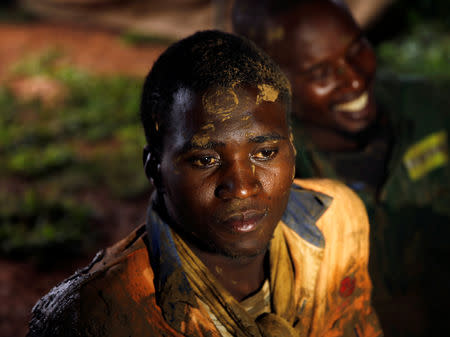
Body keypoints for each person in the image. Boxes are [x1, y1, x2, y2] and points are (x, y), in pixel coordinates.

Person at [28, 30, 382, 337]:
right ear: (155, 170)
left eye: (265, 152)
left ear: (291, 148)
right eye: (205, 160)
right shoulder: (96, 316)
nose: (242, 187)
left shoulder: (339, 223)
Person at [232, 0, 450, 336]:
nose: (354, 80)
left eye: (356, 49)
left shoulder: (432, 107)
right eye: (320, 73)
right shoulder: (254, 183)